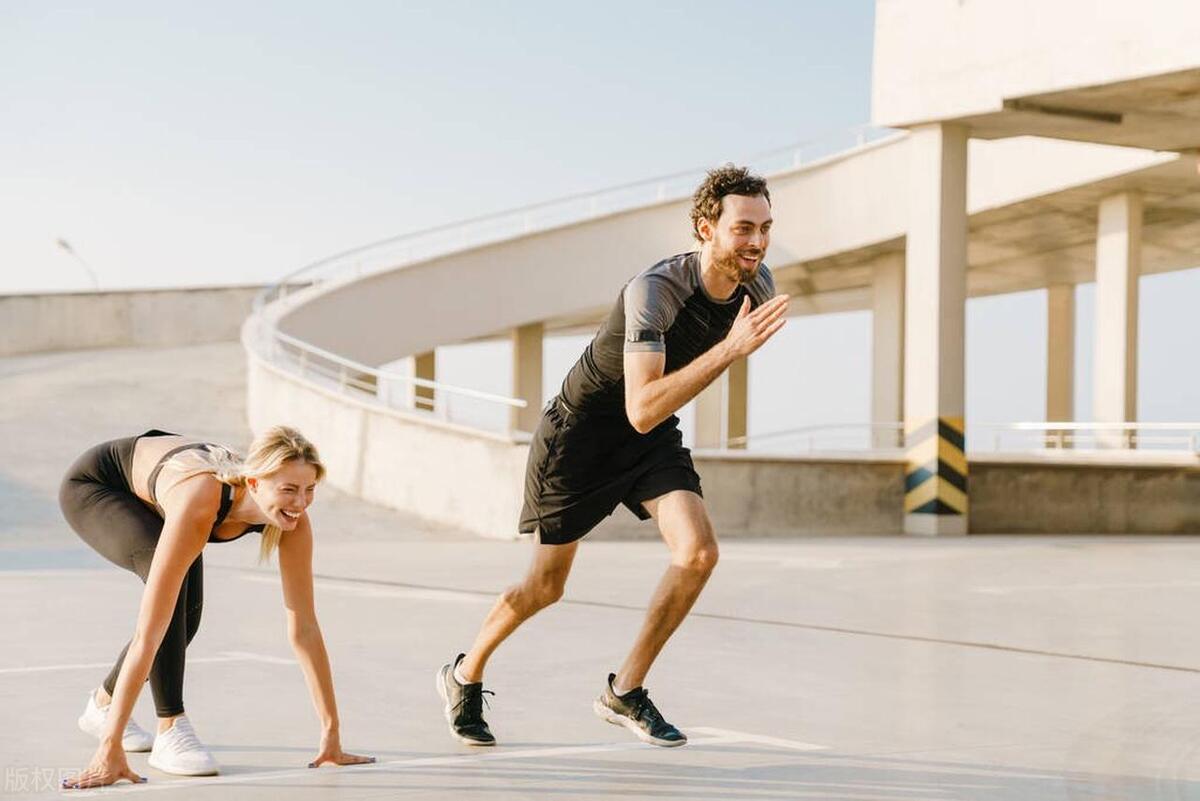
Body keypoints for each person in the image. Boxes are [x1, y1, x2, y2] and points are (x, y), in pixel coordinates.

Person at [437, 164, 789, 747]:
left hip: (646, 440)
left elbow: (650, 422)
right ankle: (463, 673)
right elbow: (642, 406)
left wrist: (730, 346)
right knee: (545, 588)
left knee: (698, 553)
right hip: (578, 437)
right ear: (707, 228)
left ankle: (625, 691)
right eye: (743, 228)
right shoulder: (656, 290)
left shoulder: (758, 288)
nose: (756, 242)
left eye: (765, 228)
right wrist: (730, 349)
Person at [58, 426, 373, 788]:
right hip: (99, 487)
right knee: (169, 609)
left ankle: (102, 705)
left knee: (185, 621)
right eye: (288, 489)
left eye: (309, 490)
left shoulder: (293, 523)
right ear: (254, 483)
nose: (300, 503)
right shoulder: (202, 500)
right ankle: (171, 727)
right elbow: (149, 633)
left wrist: (331, 733)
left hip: (163, 494)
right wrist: (109, 749)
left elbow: (304, 627)